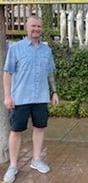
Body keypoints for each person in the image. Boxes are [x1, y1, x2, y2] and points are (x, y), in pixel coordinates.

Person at [3, 15, 59, 182]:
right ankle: (13, 166)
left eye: (39, 27)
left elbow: (50, 73)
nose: (36, 29)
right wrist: (7, 96)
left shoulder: (46, 50)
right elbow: (7, 73)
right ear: (27, 28)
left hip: (41, 97)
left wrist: (54, 92)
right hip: (20, 98)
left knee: (39, 128)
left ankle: (36, 160)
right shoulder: (15, 48)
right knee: (16, 131)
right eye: (33, 26)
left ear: (41, 29)